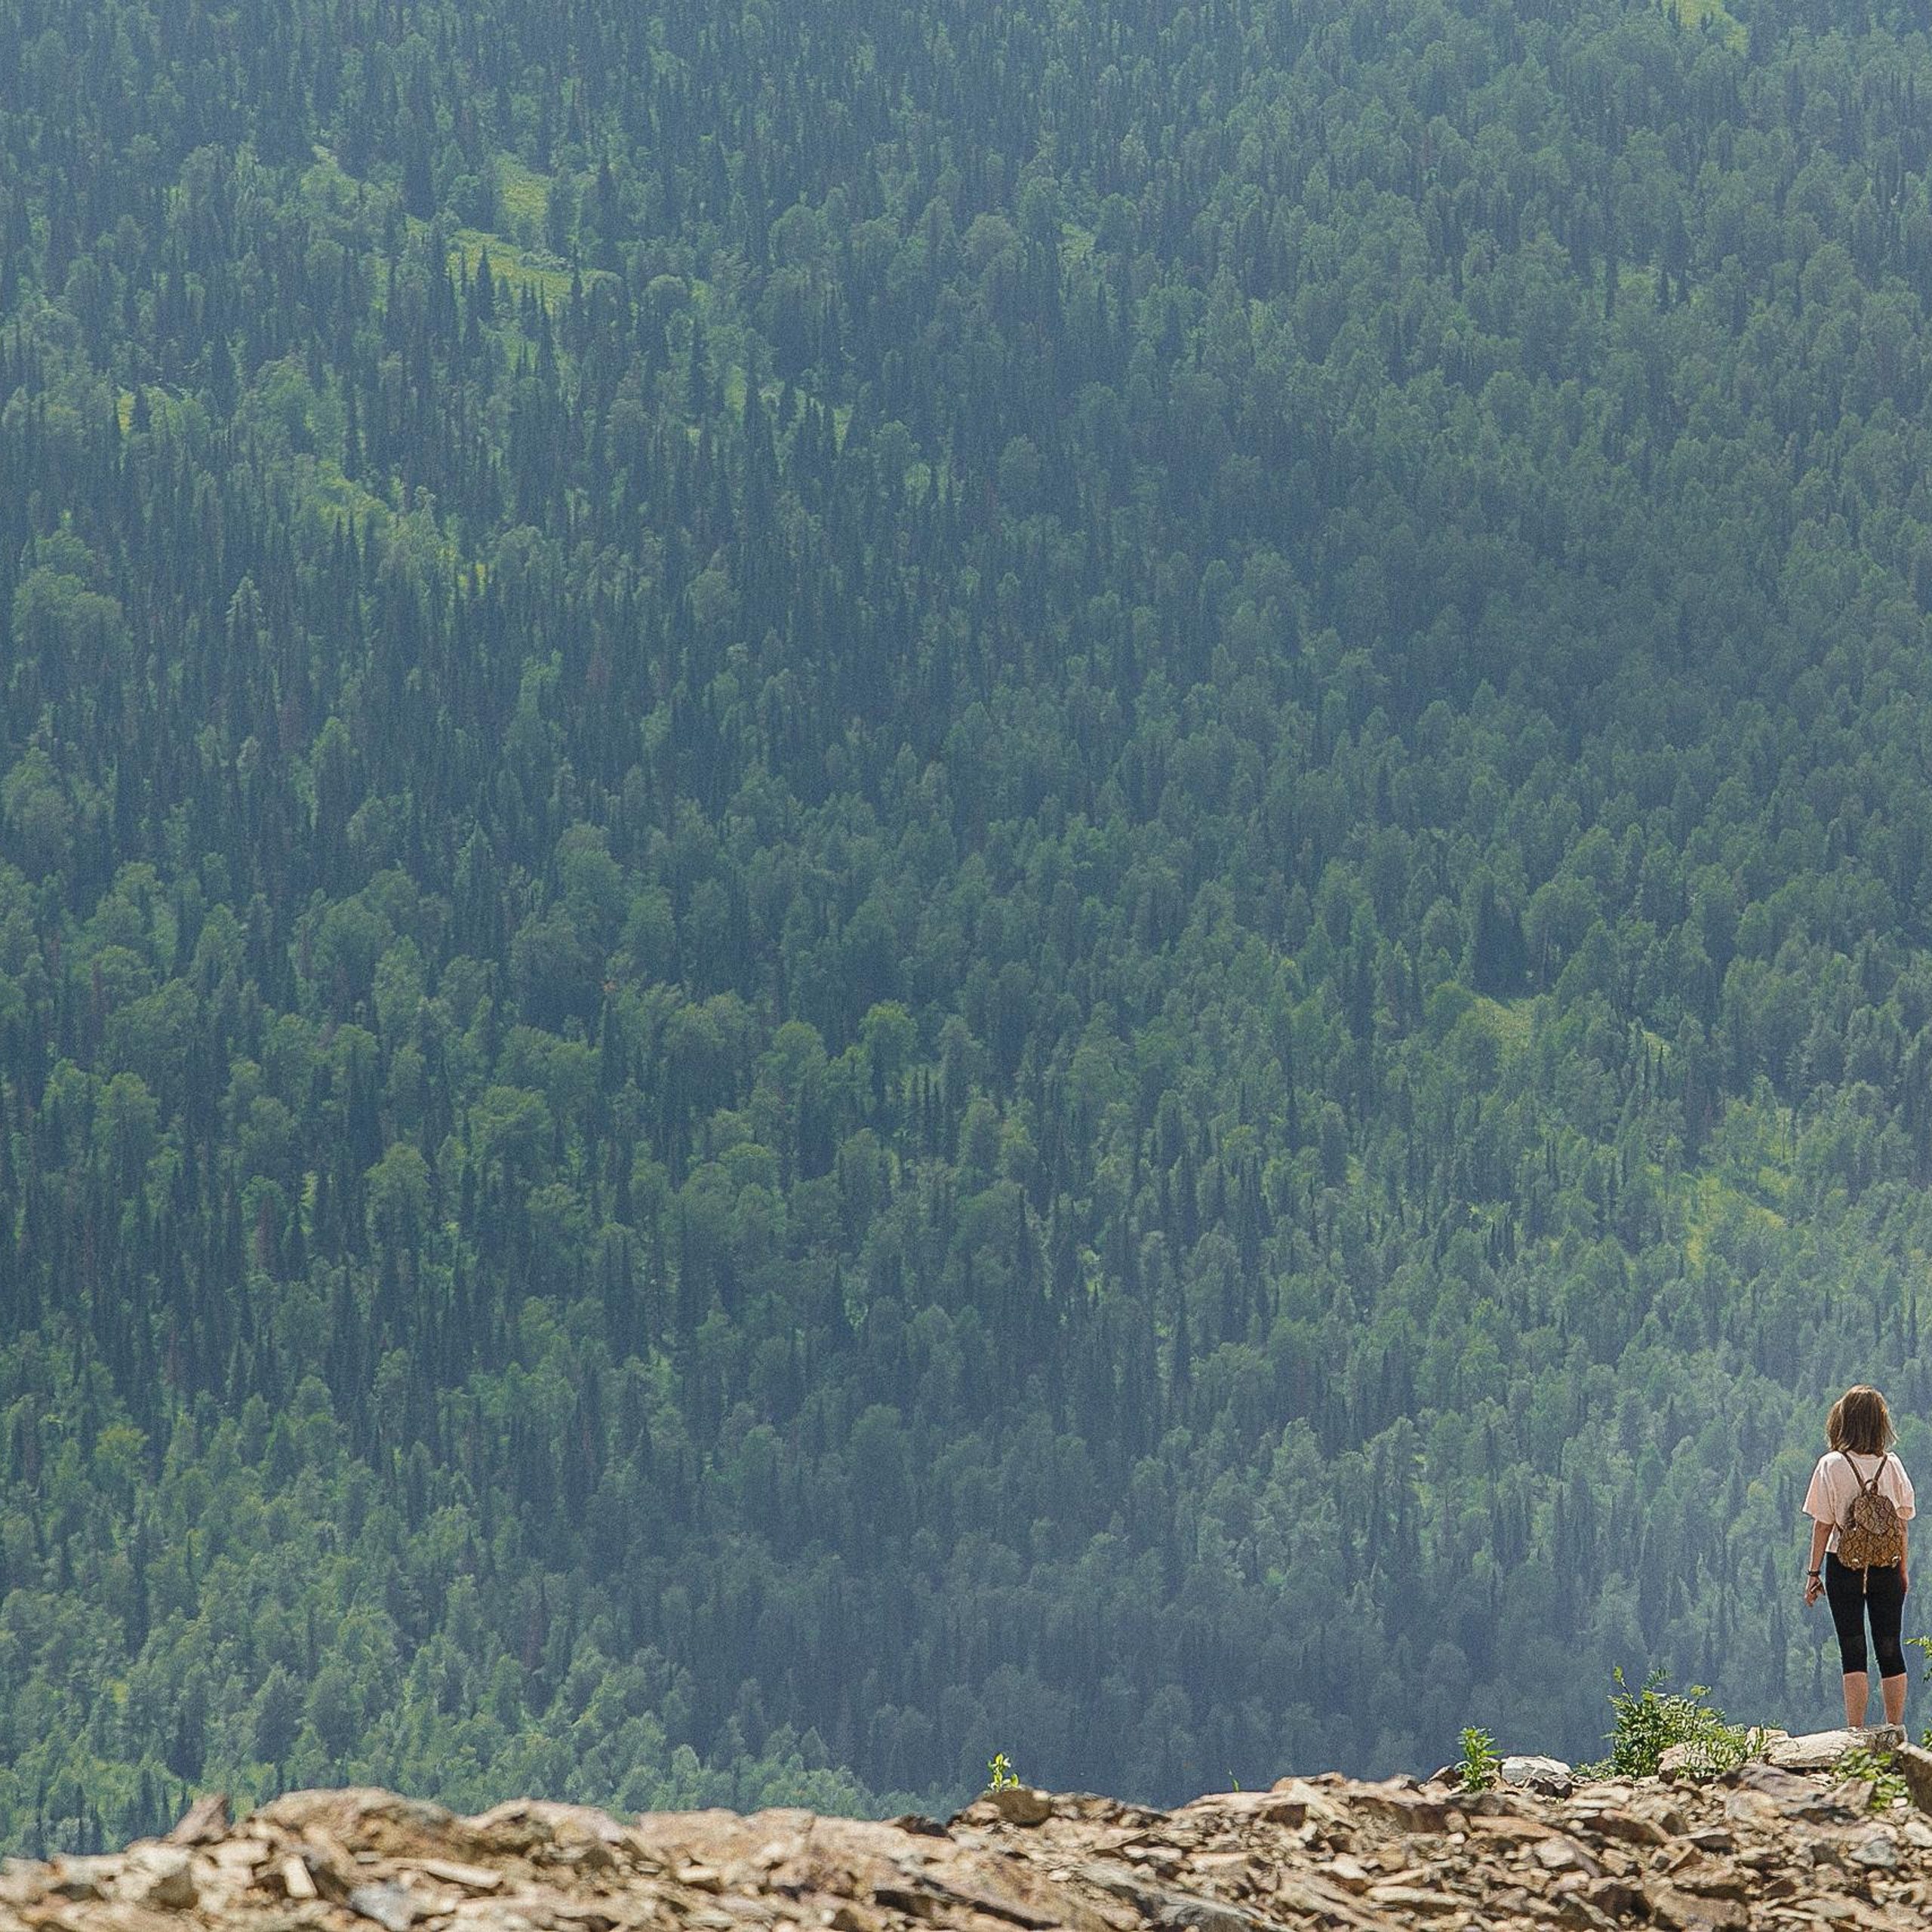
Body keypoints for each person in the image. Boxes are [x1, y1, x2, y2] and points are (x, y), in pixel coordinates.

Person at [1802, 1386, 1915, 1729]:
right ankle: (1894, 1729)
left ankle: (1856, 1732)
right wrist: (1903, 1570)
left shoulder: (1831, 1464)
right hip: (1886, 1565)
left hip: (1844, 1565)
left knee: (1852, 1648)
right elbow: (1901, 1523)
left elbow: (1823, 1525)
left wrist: (1813, 1573)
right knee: (1890, 1647)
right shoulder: (1892, 1465)